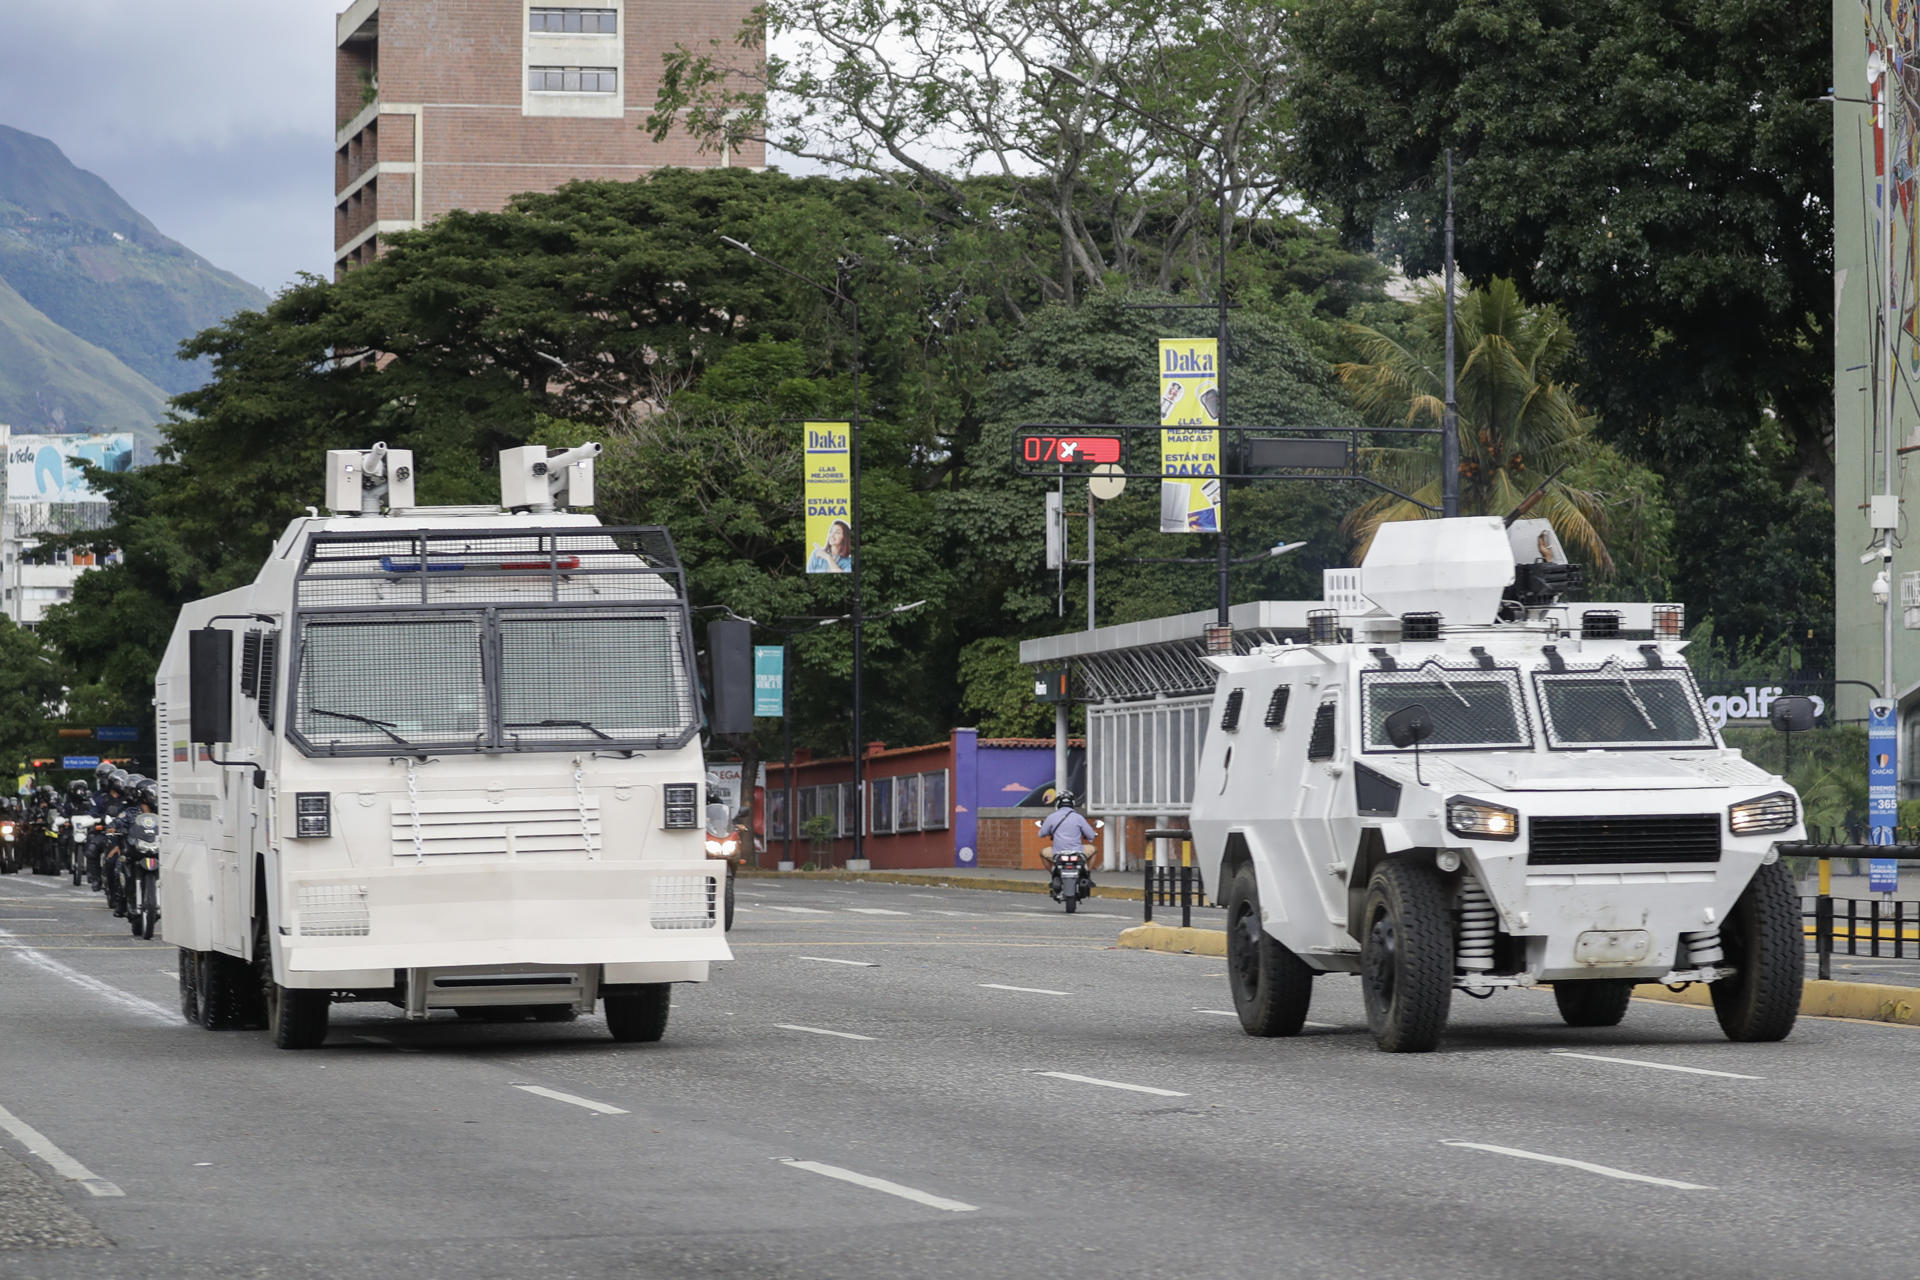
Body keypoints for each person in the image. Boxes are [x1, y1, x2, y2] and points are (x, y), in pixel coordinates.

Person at [1037, 790, 1098, 899]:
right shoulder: (1078, 817)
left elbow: (1041, 833)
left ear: (1058, 803)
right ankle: (1087, 874)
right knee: (1095, 849)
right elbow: (1091, 836)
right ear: (1073, 804)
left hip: (1057, 853)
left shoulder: (1052, 817)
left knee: (1042, 853)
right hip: (1078, 852)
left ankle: (1054, 875)